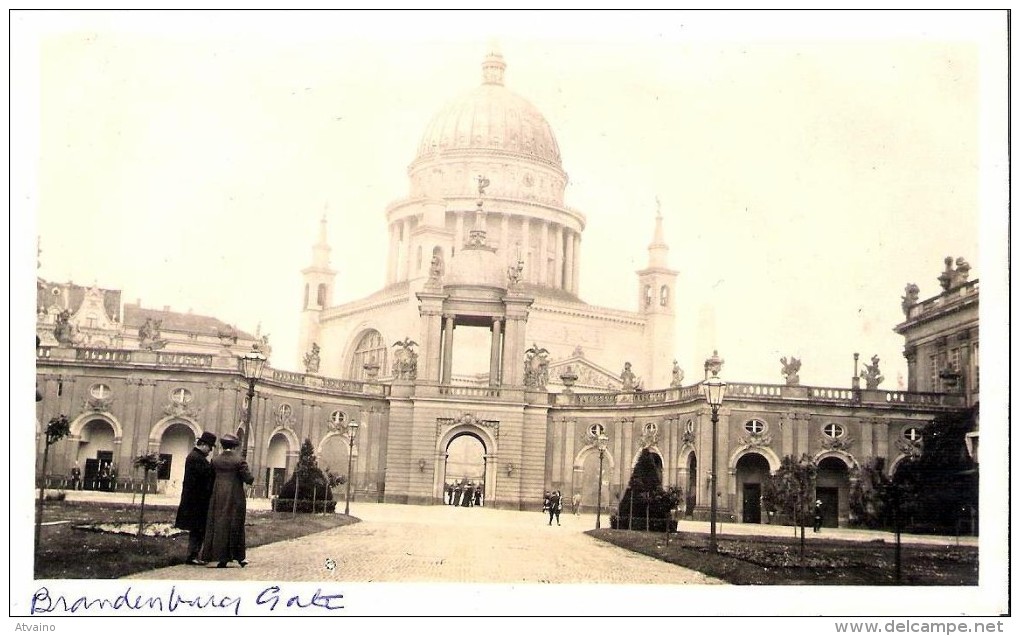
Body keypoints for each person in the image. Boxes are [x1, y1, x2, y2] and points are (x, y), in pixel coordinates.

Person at [200, 433, 255, 568]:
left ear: (222, 446)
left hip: (218, 496)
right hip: (235, 496)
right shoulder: (239, 460)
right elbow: (248, 478)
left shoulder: (215, 460)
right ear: (235, 447)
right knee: (236, 525)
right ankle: (239, 557)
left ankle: (219, 558)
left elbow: (210, 478)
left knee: (218, 525)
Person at [174, 431, 216, 565]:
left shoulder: (195, 457)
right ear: (203, 445)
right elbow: (207, 476)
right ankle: (192, 556)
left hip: (195, 500)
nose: (210, 451)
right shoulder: (196, 458)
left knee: (197, 529)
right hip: (196, 501)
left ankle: (193, 555)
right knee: (197, 529)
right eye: (209, 447)